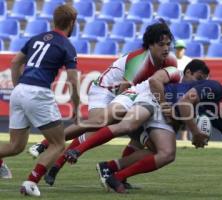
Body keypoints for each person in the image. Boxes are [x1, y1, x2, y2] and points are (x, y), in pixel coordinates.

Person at [43, 60, 210, 187]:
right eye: (198, 78)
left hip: (149, 110)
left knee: (157, 150)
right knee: (100, 124)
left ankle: (113, 171)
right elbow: (153, 82)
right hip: (134, 98)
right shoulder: (174, 72)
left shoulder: (188, 93)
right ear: (187, 71)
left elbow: (173, 120)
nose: (198, 83)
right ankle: (54, 155)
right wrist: (166, 107)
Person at [28, 19, 177, 160]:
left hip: (129, 95)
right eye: (161, 44)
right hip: (105, 91)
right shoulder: (139, 61)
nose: (165, 48)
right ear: (150, 45)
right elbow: (123, 92)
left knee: (137, 136)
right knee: (98, 123)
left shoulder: (170, 60)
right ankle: (46, 144)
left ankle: (114, 173)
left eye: (168, 44)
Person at [0, 5, 79, 197]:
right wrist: (76, 107)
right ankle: (31, 182)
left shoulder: (36, 39)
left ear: (54, 20)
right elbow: (72, 79)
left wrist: (19, 86)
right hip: (38, 93)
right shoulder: (66, 45)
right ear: (72, 23)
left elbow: (15, 62)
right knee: (58, 144)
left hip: (20, 91)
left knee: (15, 146)